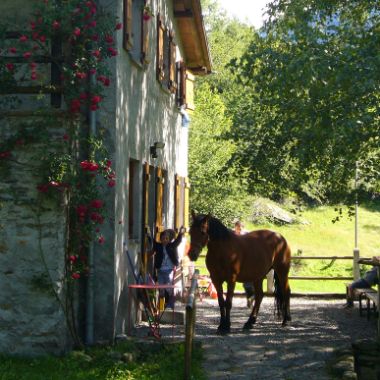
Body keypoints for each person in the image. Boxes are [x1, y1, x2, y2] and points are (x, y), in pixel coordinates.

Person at [149, 227, 185, 309]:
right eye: (163, 238)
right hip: (160, 270)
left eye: (166, 238)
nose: (165, 240)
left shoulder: (171, 246)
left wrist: (180, 233)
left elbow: (178, 241)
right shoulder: (158, 246)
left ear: (169, 240)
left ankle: (170, 304)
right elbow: (153, 242)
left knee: (168, 287)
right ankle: (161, 302)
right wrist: (148, 235)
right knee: (161, 287)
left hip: (169, 270)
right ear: (160, 239)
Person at [234, 220, 254, 308]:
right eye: (238, 228)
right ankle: (250, 298)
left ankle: (251, 297)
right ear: (235, 227)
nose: (239, 230)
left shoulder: (247, 234)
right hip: (236, 261)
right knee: (245, 282)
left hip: (247, 260)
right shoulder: (232, 235)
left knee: (248, 282)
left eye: (240, 228)